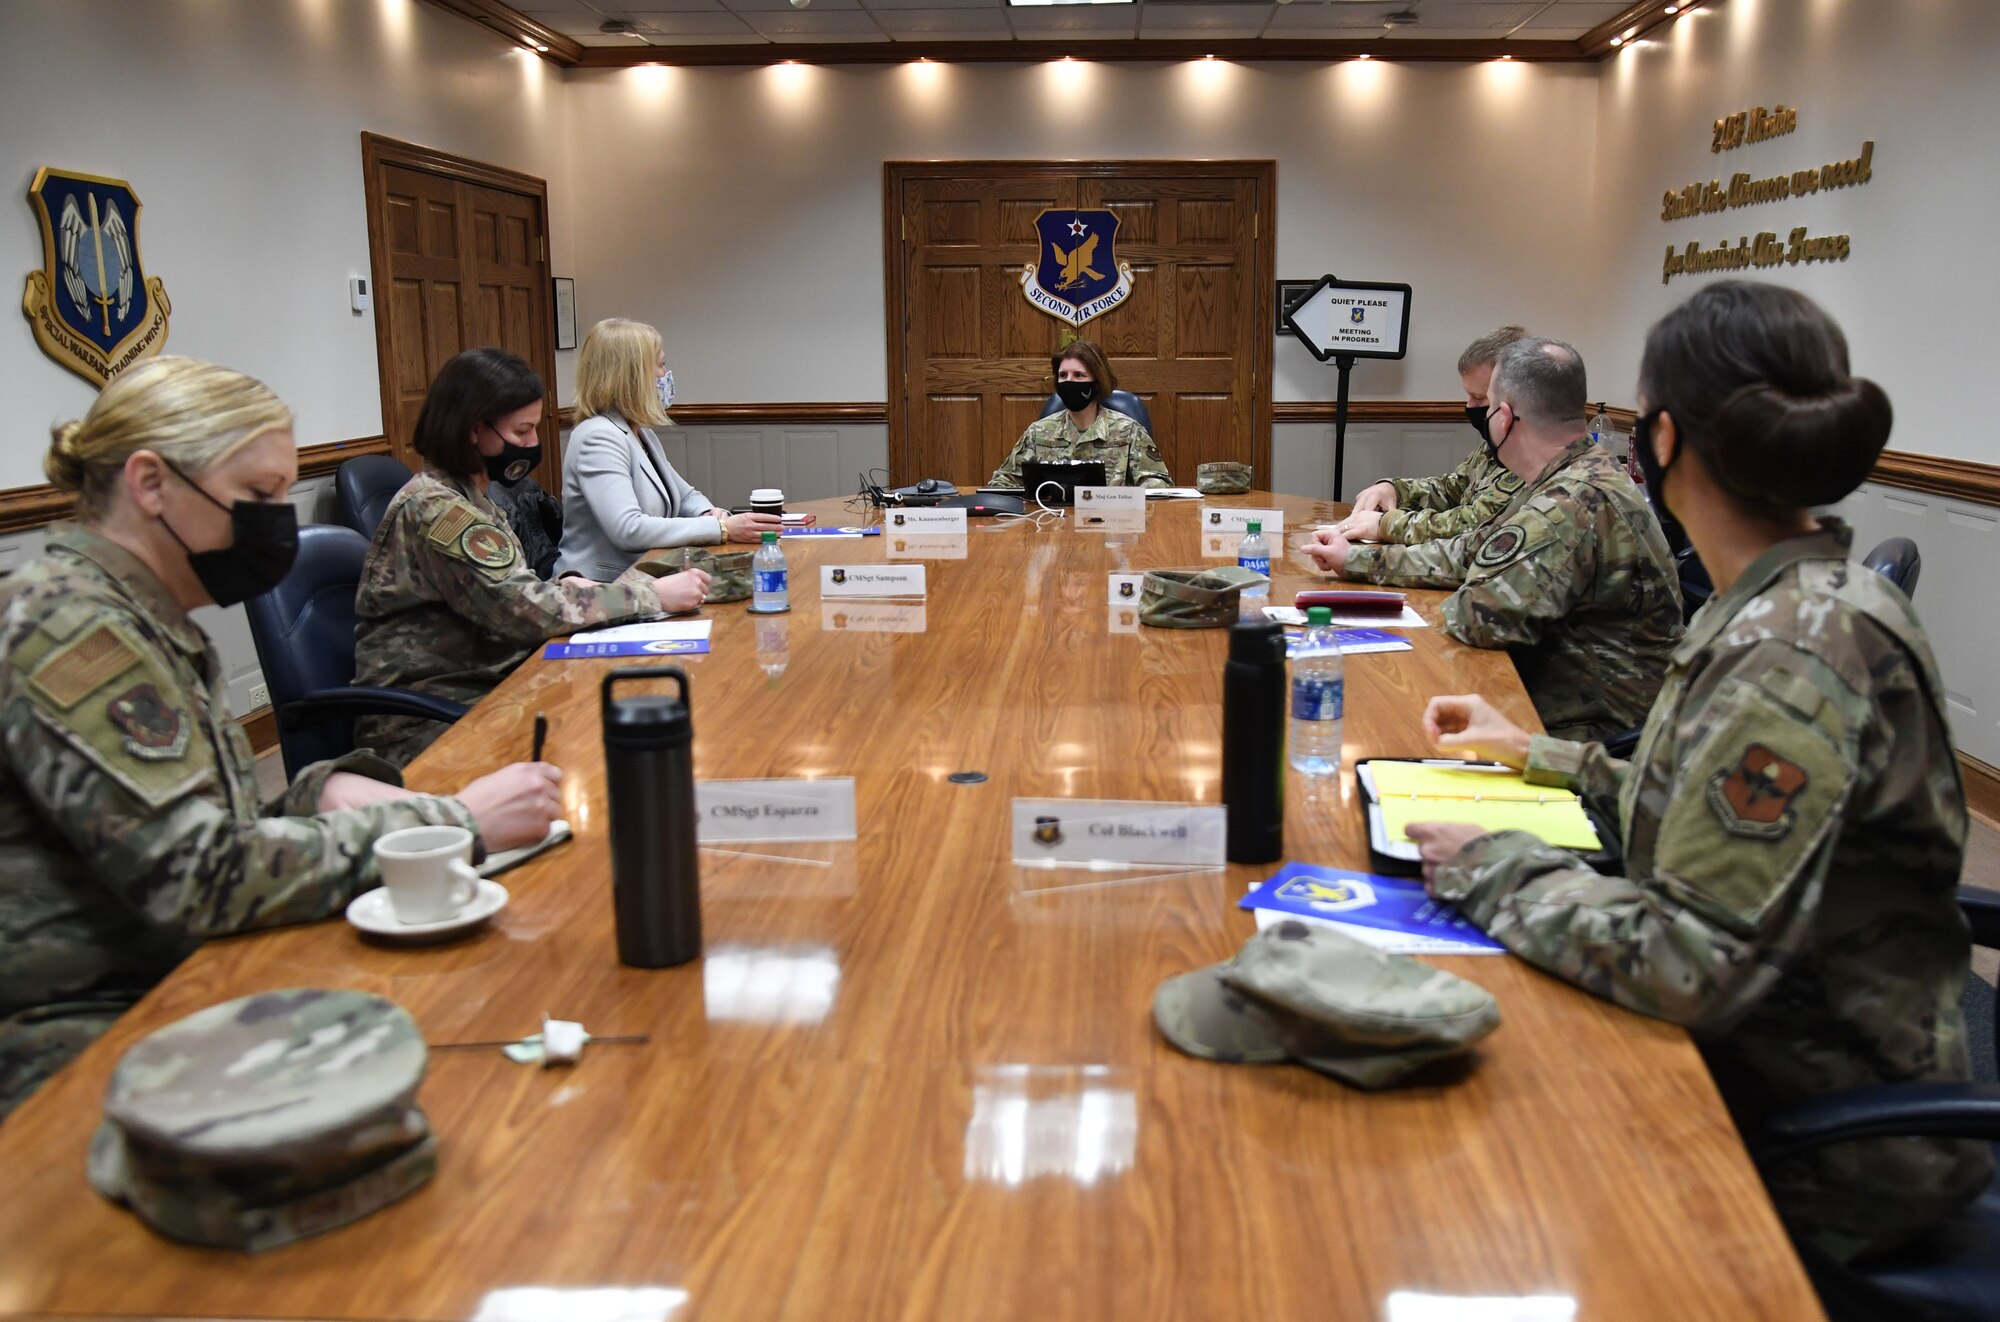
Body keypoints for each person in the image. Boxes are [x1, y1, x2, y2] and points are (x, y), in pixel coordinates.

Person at [1404, 282, 1989, 1271]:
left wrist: (1490, 864)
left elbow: (1683, 965)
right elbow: (1686, 803)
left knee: (1461, 1192)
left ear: (1659, 440)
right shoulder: (1779, 598)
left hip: (1804, 1134)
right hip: (1774, 1038)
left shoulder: (1791, 658)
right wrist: (1533, 751)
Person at [0, 357, 564, 1119]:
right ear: (150, 483)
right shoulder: (75, 631)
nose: (278, 520)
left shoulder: (139, 613)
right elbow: (195, 875)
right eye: (259, 495)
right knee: (463, 1091)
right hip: (93, 1029)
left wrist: (317, 787)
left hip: (187, 973)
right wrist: (453, 823)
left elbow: (183, 821)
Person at [1305, 338, 1682, 741]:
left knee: (1383, 710)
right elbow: (1479, 548)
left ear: (1502, 418)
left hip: (1582, 736)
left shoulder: (1568, 504)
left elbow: (1475, 619)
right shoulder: (1580, 471)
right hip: (1579, 711)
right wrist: (1357, 561)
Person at [354, 348, 706, 766]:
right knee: (606, 749)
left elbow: (504, 592)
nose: (533, 444)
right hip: (430, 720)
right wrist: (652, 594)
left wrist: (562, 586)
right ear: (472, 430)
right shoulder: (440, 511)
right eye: (521, 432)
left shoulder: (470, 497)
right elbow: (524, 612)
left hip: (489, 685)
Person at [554, 319, 779, 582]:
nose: (665, 374)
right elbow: (628, 529)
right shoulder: (598, 437)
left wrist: (708, 513)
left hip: (643, 581)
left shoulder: (639, 432)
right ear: (632, 376)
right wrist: (720, 528)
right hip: (601, 591)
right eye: (660, 365)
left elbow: (684, 497)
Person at [1340, 325, 1530, 544]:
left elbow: (1473, 527)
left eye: (1480, 398)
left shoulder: (1527, 456)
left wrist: (1386, 525)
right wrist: (1394, 490)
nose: (1470, 406)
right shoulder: (1496, 442)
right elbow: (1454, 488)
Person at [988, 338, 1171, 490]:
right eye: (1063, 375)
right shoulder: (1038, 432)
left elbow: (1158, 483)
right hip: (1050, 525)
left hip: (1112, 526)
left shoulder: (1129, 431)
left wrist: (1127, 501)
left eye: (1078, 375)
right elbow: (1001, 483)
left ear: (1097, 382)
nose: (1069, 382)